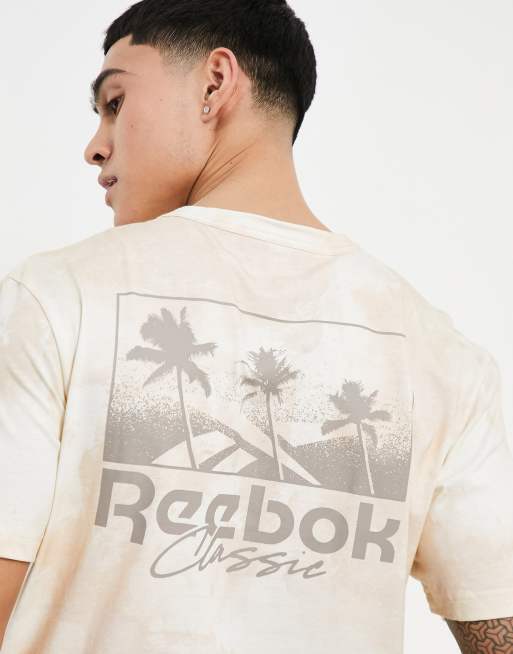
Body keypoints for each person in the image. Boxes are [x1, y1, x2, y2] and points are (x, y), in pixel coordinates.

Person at [1, 1, 512, 652]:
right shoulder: (437, 355)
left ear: (214, 84)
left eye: (115, 103)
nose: (95, 145)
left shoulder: (58, 297)